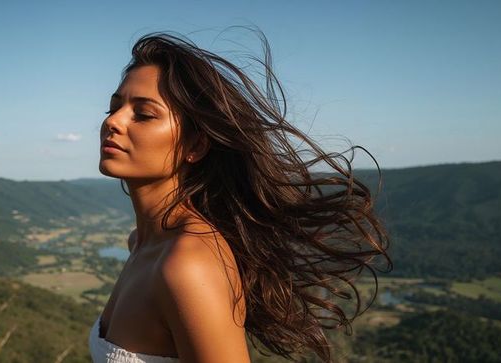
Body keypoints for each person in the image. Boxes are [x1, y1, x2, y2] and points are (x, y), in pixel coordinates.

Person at [91, 29, 391, 363]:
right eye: (113, 107)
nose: (113, 122)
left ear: (195, 146)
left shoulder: (186, 263)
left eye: (144, 114)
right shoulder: (141, 244)